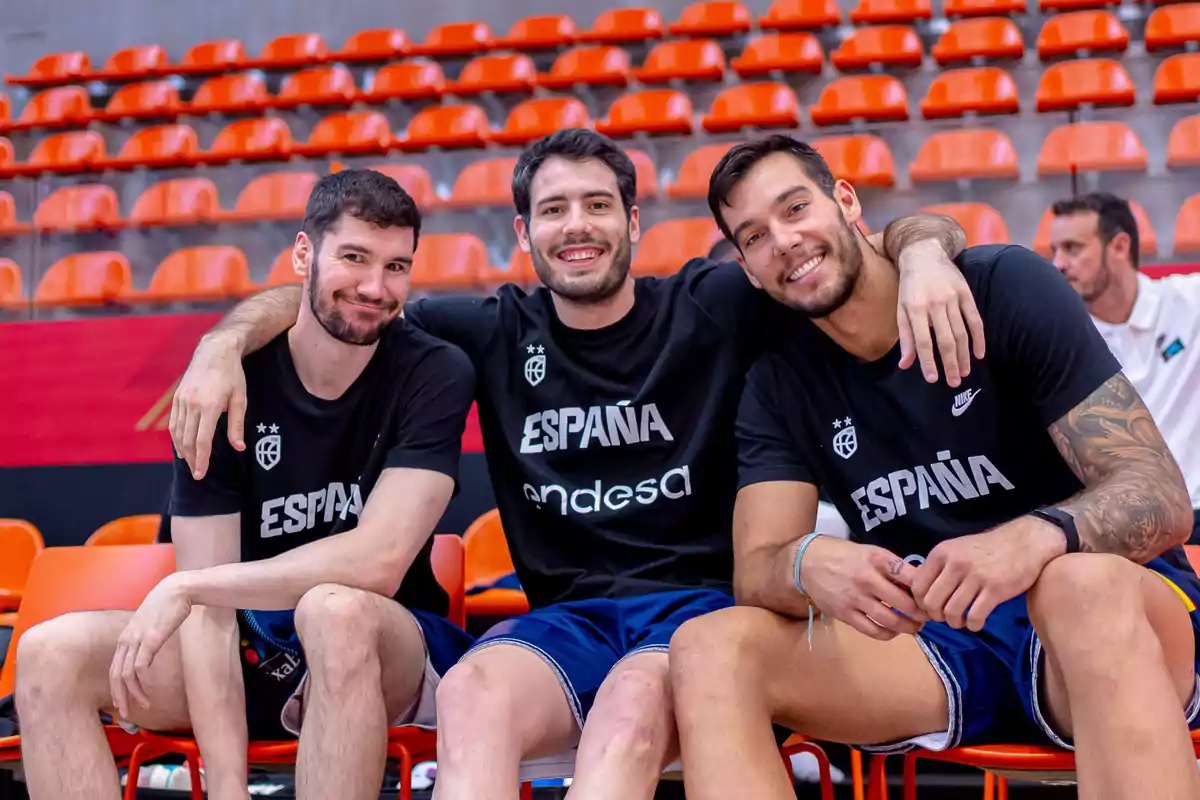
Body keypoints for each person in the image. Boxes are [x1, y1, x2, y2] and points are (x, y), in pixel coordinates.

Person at [166, 128, 978, 799]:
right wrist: (222, 341)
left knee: (628, 713)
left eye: (597, 205)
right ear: (524, 234)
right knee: (469, 695)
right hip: (567, 620)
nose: (576, 225)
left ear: (634, 221)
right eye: (553, 209)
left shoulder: (717, 304)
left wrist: (927, 257)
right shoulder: (486, 328)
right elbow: (340, 298)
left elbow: (856, 248)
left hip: (699, 616)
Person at [667, 134, 1200, 800]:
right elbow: (757, 569)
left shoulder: (1002, 285)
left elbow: (1161, 496)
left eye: (795, 208)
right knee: (708, 648)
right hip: (943, 640)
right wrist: (803, 563)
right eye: (753, 236)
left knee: (1077, 584)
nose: (783, 240)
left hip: (1108, 617)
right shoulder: (777, 383)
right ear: (747, 267)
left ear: (845, 201)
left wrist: (1028, 540)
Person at [14, 169, 477, 800]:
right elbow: (210, 621)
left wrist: (191, 585)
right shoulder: (220, 388)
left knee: (332, 608)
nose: (375, 286)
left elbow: (379, 561)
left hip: (378, 645)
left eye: (397, 266)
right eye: (354, 258)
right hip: (247, 649)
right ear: (303, 255)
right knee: (49, 651)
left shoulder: (435, 370)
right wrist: (227, 787)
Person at [1050, 192, 1200, 542]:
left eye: (1072, 248)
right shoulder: (1060, 335)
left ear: (1118, 246)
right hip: (1122, 530)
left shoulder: (1190, 301)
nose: (1057, 263)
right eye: (1054, 250)